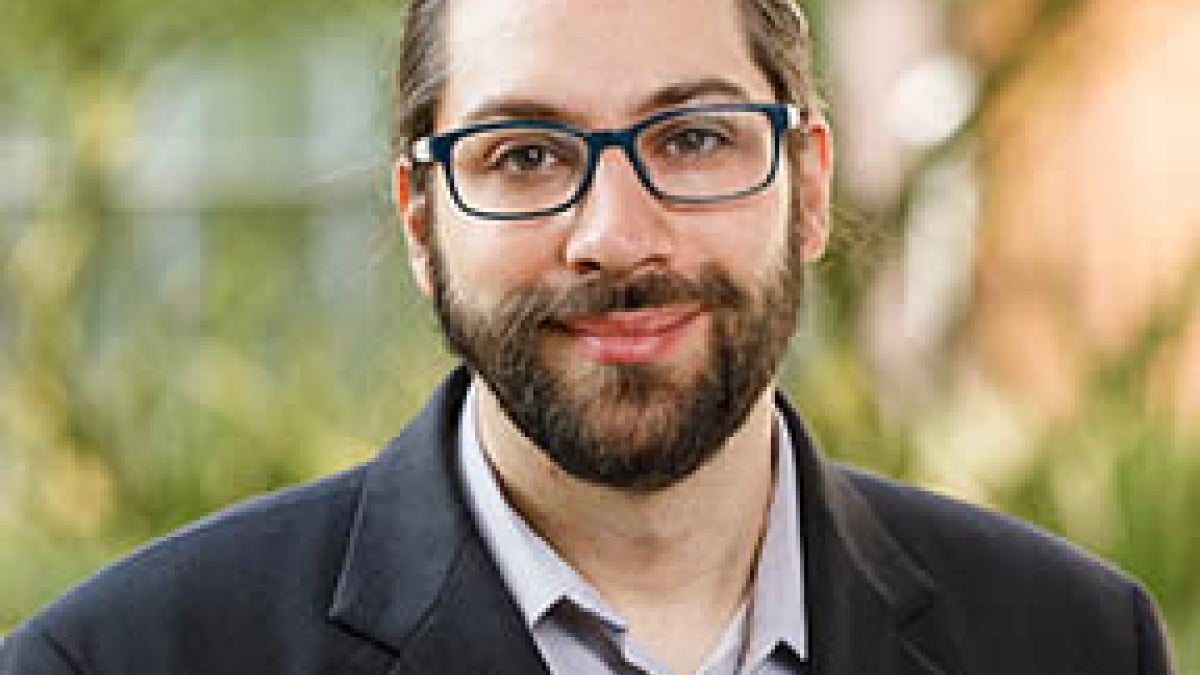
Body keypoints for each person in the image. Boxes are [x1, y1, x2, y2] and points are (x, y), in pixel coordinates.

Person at [0, 0, 1177, 673]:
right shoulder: (119, 664)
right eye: (525, 156)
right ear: (420, 224)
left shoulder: (1074, 644)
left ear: (808, 185)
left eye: (696, 139)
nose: (614, 237)